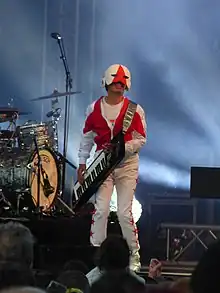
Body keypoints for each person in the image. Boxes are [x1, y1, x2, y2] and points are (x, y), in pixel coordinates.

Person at [77, 64, 147, 271]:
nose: (119, 85)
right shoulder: (93, 108)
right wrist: (82, 163)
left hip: (127, 164)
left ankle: (134, 257)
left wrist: (123, 148)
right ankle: (98, 256)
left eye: (122, 82)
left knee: (125, 213)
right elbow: (87, 137)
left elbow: (141, 139)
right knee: (101, 210)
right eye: (115, 82)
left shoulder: (135, 110)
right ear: (107, 83)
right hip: (102, 165)